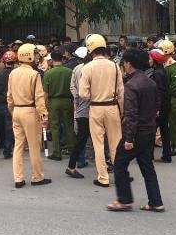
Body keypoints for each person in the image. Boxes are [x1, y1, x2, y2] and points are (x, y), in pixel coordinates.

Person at [107, 50, 164, 212]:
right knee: (147, 166)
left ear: (128, 64)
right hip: (149, 130)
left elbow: (131, 114)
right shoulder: (150, 82)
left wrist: (129, 139)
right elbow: (157, 105)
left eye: (124, 63)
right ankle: (156, 201)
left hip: (135, 132)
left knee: (119, 163)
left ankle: (124, 200)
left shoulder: (132, 85)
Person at [79, 34, 124, 187]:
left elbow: (83, 94)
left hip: (96, 108)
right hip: (112, 107)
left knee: (98, 144)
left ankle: (103, 178)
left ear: (90, 50)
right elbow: (121, 92)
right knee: (116, 144)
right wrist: (122, 111)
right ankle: (120, 176)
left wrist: (94, 96)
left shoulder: (87, 67)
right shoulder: (115, 66)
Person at [7, 43, 51, 188]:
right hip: (30, 112)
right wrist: (44, 116)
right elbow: (39, 98)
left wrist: (13, 111)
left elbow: (9, 97)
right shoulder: (34, 74)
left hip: (17, 111)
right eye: (35, 54)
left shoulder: (13, 73)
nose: (38, 56)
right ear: (30, 56)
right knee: (33, 146)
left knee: (18, 146)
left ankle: (18, 178)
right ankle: (37, 177)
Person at [42, 51, 76, 160]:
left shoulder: (48, 73)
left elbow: (45, 93)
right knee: (69, 126)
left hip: (53, 102)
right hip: (67, 100)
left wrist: (43, 106)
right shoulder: (69, 71)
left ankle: (57, 152)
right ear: (62, 59)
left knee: (54, 127)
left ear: (52, 59)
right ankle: (71, 149)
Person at [65, 46, 91, 178]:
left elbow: (72, 87)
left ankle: (75, 164)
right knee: (101, 139)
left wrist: (77, 98)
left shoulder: (76, 69)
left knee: (81, 138)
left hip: (81, 108)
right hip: (90, 109)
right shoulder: (90, 69)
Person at [149, 49, 172, 163]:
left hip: (160, 107)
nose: (149, 60)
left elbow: (159, 92)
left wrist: (156, 108)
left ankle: (148, 156)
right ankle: (167, 155)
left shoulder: (157, 73)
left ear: (154, 60)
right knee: (164, 130)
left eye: (150, 58)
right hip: (165, 105)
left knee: (151, 131)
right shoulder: (162, 71)